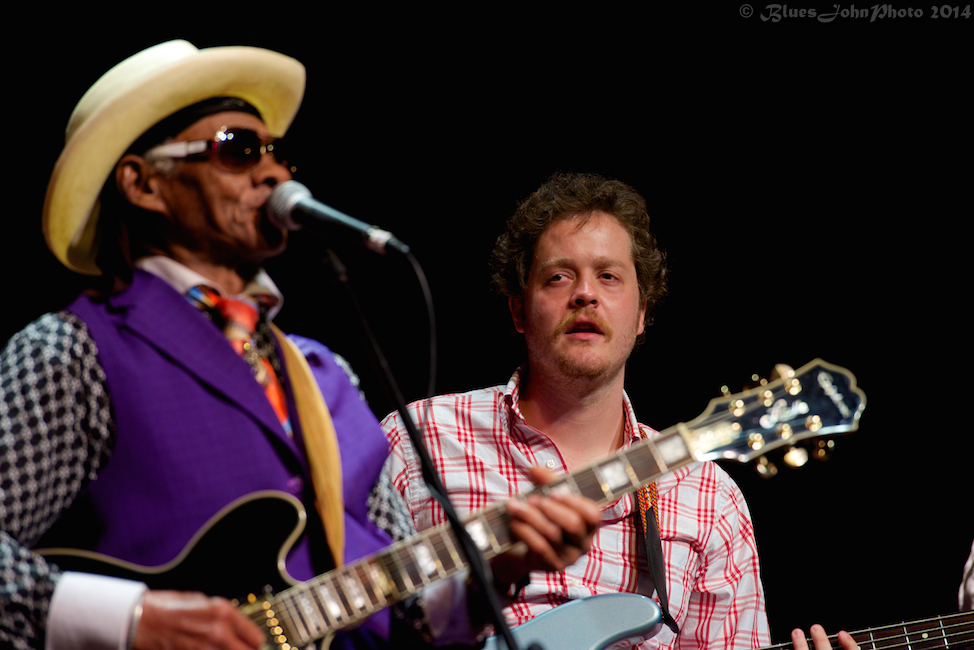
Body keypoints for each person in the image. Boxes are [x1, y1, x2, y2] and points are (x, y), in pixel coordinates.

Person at [0, 41, 601, 650]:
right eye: (236, 150)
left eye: (276, 154)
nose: (274, 173)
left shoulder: (324, 374)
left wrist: (496, 570)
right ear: (144, 183)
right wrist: (127, 621)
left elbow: (402, 610)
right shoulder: (74, 352)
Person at [381, 172, 771, 649]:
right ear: (519, 312)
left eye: (608, 276)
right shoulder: (417, 438)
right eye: (558, 277)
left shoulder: (707, 495)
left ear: (642, 312)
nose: (585, 293)